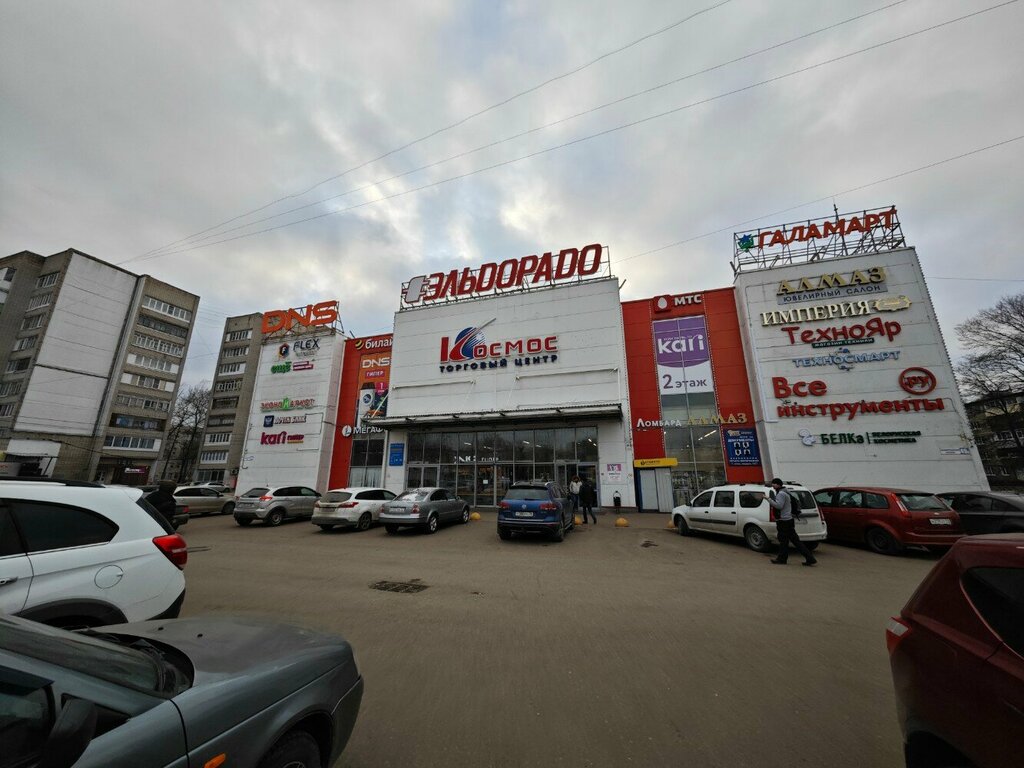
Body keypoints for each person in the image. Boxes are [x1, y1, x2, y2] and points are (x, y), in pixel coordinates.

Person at [766, 478, 817, 566]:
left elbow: (779, 506)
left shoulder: (781, 494)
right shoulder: (786, 492)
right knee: (796, 541)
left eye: (773, 484)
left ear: (778, 484)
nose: (772, 485)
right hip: (789, 520)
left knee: (783, 541)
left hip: (783, 521)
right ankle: (810, 558)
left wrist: (768, 499)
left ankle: (782, 559)